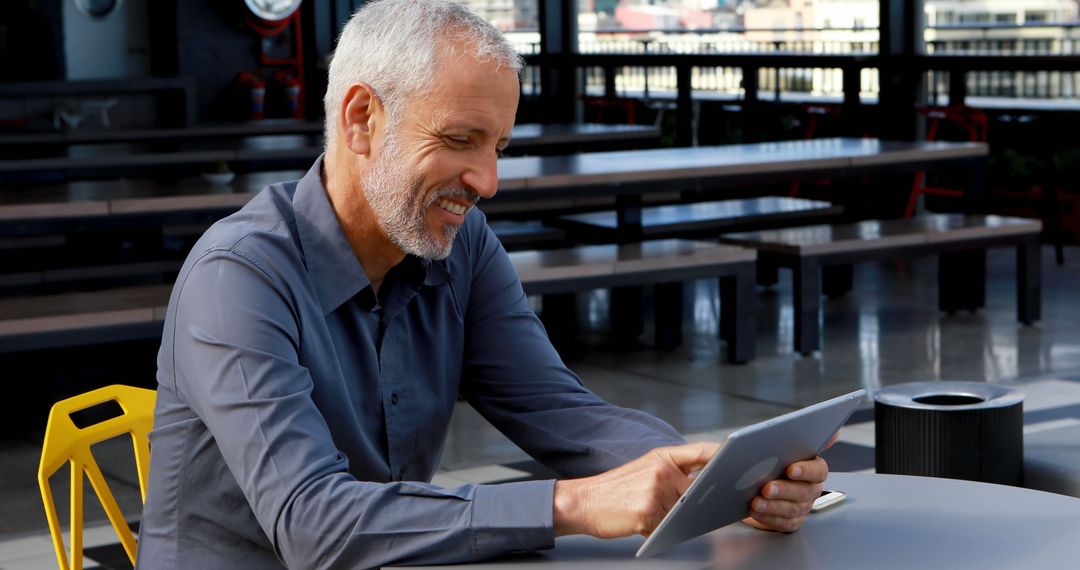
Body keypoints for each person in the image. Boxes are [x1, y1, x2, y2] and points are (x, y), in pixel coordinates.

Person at [136, 1, 829, 568]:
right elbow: (314, 524)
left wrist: (717, 478)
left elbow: (560, 411)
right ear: (360, 120)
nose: (488, 182)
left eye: (498, 146)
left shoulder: (459, 247)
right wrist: (574, 504)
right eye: (462, 140)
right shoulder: (239, 276)